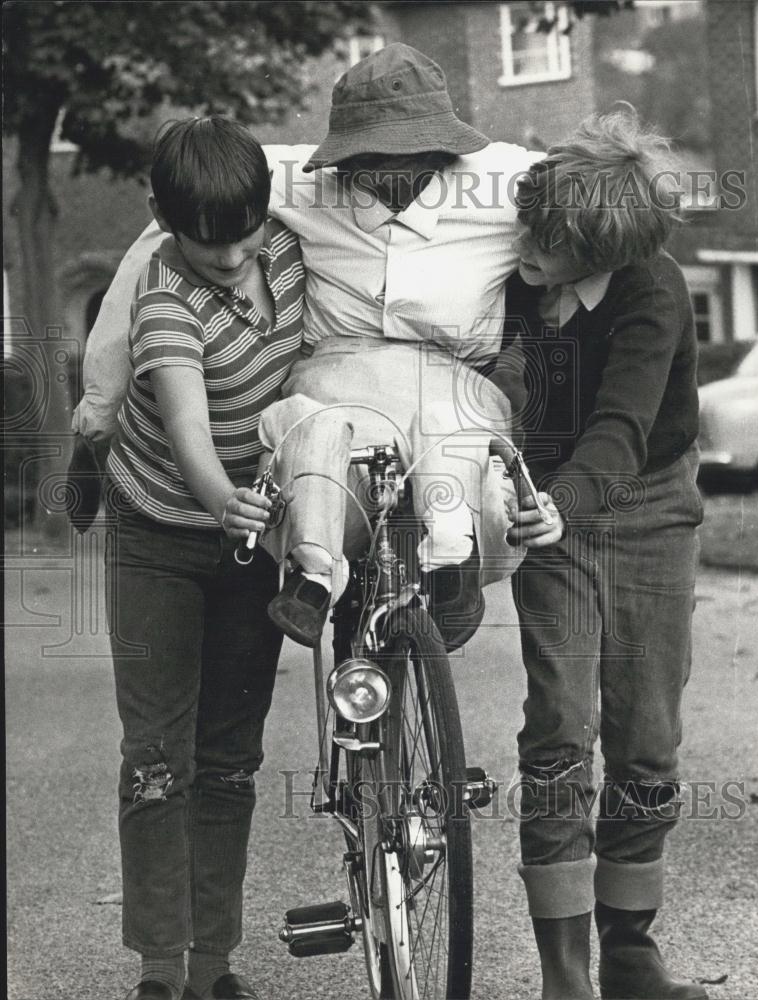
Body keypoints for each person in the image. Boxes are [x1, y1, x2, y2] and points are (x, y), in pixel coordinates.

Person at [72, 43, 541, 649]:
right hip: (340, 386)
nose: (390, 176)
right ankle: (319, 587)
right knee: (315, 453)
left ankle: (454, 573)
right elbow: (158, 238)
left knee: (460, 463)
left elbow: (600, 198)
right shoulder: (290, 177)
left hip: (450, 390)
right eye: (368, 159)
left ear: (446, 146)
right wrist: (99, 409)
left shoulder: (507, 183)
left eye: (416, 156)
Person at [504, 110, 708, 999]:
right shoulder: (510, 276)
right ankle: (565, 975)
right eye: (531, 226)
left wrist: (565, 501)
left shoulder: (651, 291)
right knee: (556, 730)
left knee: (646, 736)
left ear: (605, 250)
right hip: (546, 507)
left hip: (648, 502)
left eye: (554, 241)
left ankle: (629, 950)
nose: (530, 249)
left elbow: (623, 425)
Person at [106, 116, 305, 1000]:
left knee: (230, 753)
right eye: (204, 242)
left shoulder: (294, 251)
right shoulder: (162, 297)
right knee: (158, 754)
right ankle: (158, 973)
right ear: (162, 217)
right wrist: (223, 499)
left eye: (244, 235)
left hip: (250, 540)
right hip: (158, 535)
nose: (230, 258)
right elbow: (187, 423)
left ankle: (212, 967)